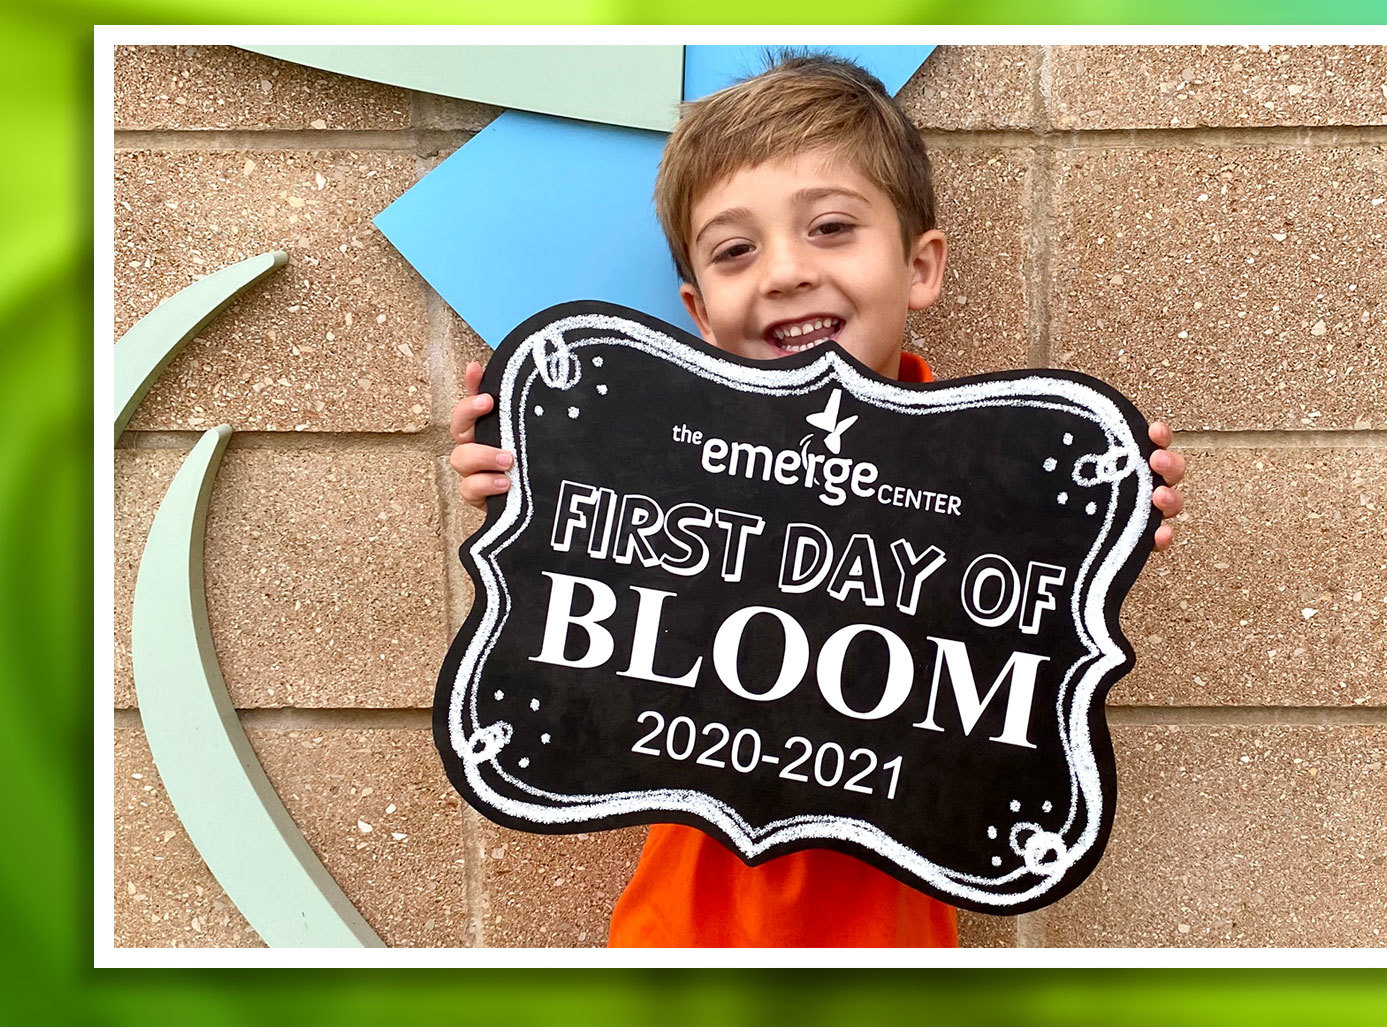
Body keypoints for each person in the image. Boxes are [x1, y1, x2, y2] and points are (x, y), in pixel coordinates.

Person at [448, 52, 1188, 947]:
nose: (787, 271)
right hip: (679, 949)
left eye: (832, 227)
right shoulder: (654, 469)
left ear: (920, 267)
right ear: (700, 311)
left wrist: (1095, 527)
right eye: (735, 250)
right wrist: (536, 478)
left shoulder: (992, 490)